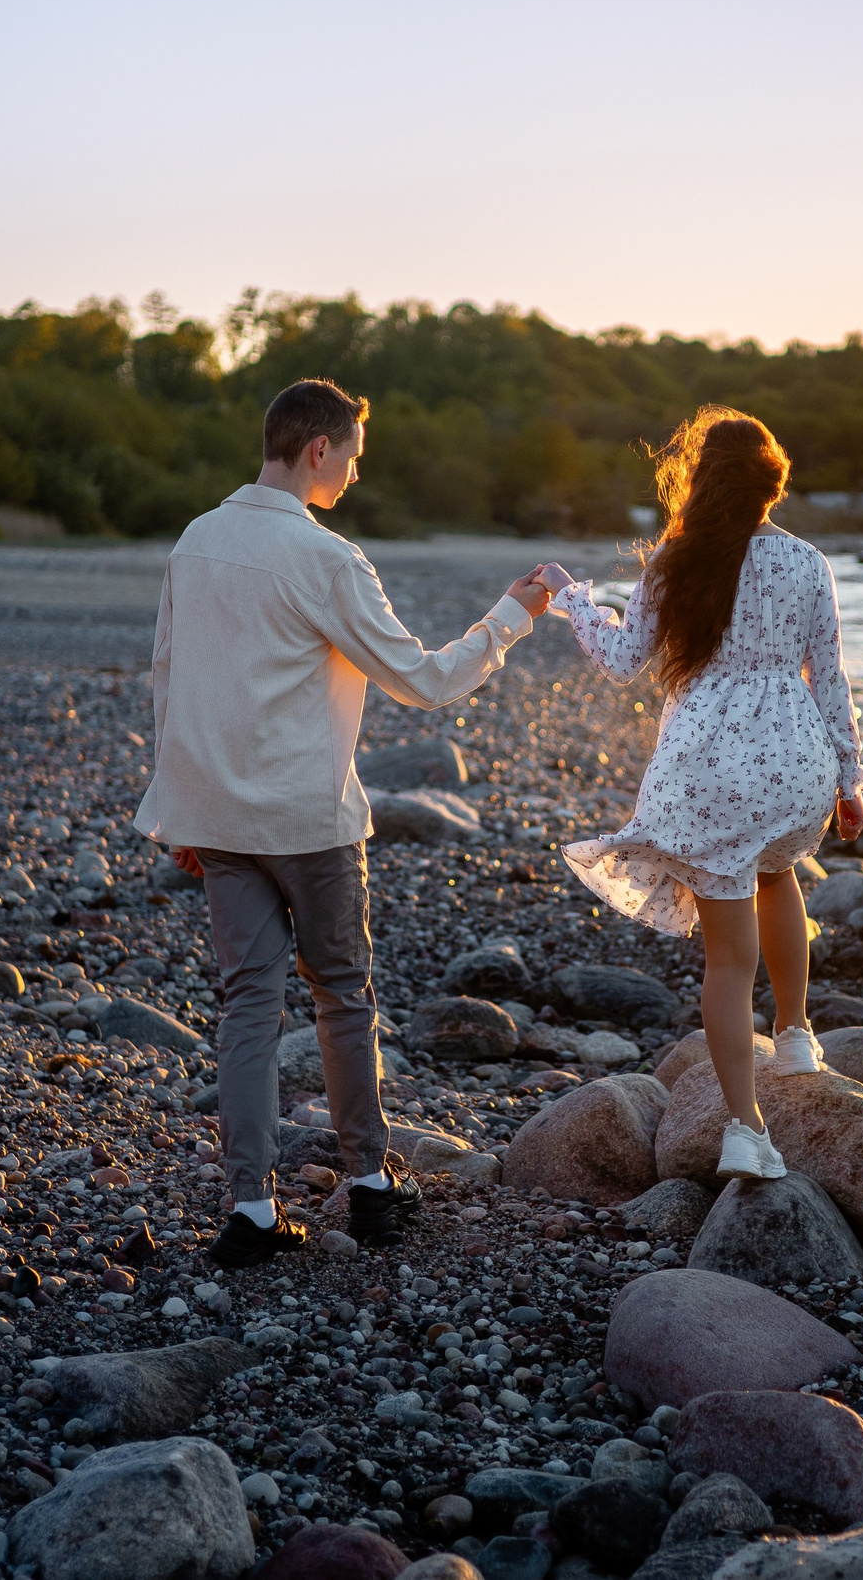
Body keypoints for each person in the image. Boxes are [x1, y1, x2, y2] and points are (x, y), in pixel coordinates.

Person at [136, 377, 552, 1267]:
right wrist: (512, 616)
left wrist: (176, 804)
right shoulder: (326, 558)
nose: (356, 474)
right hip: (309, 819)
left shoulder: (195, 541)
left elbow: (168, 677)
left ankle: (251, 1207)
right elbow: (427, 680)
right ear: (318, 449)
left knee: (247, 1005)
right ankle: (368, 1187)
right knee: (343, 996)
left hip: (218, 814)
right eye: (353, 455)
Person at [532, 406, 863, 1181]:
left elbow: (622, 660)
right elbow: (832, 676)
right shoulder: (808, 563)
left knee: (726, 959)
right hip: (795, 761)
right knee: (779, 873)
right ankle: (795, 1035)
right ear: (771, 484)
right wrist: (848, 778)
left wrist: (570, 596)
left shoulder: (675, 561)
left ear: (701, 480)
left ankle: (747, 1131)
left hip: (710, 770)